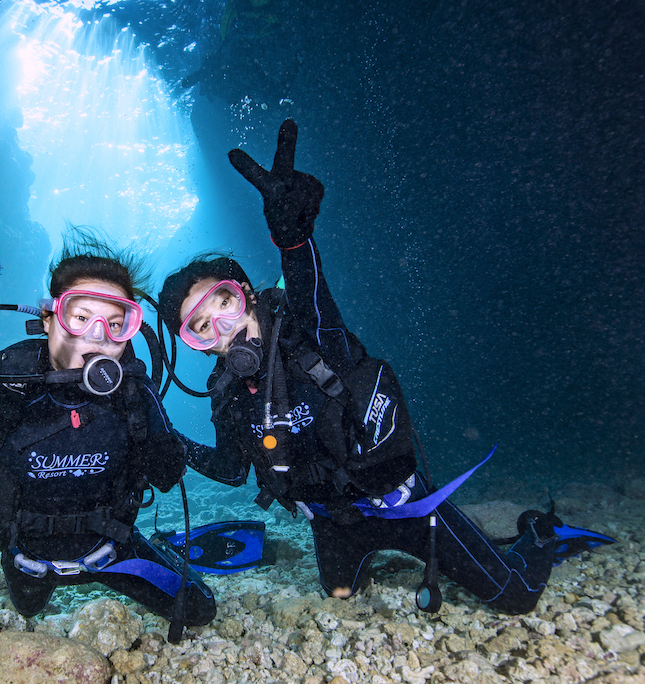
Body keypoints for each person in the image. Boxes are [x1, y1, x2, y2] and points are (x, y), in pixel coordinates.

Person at [157, 119, 614, 614]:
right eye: (199, 326)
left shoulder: (310, 332)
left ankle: (538, 531)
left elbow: (309, 288)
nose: (219, 327)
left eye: (221, 302)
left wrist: (292, 239)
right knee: (341, 597)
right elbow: (231, 468)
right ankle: (374, 553)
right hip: (332, 522)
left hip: (409, 507)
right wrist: (170, 443)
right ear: (194, 345)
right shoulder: (226, 392)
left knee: (517, 599)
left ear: (244, 294)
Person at [0, 232, 216, 630]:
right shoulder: (9, 383)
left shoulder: (133, 392)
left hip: (112, 549)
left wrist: (157, 446)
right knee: (28, 609)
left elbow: (167, 477)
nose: (98, 336)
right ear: (49, 320)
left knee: (200, 610)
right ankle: (29, 574)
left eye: (116, 324)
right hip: (27, 557)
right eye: (80, 317)